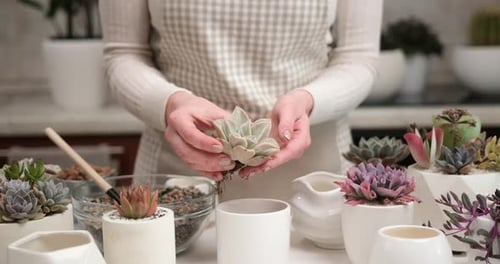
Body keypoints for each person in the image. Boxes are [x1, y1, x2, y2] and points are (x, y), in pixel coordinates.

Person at [99, 0, 383, 201]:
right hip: (180, 178)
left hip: (314, 182)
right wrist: (171, 102)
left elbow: (357, 57)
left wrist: (309, 100)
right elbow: (124, 53)